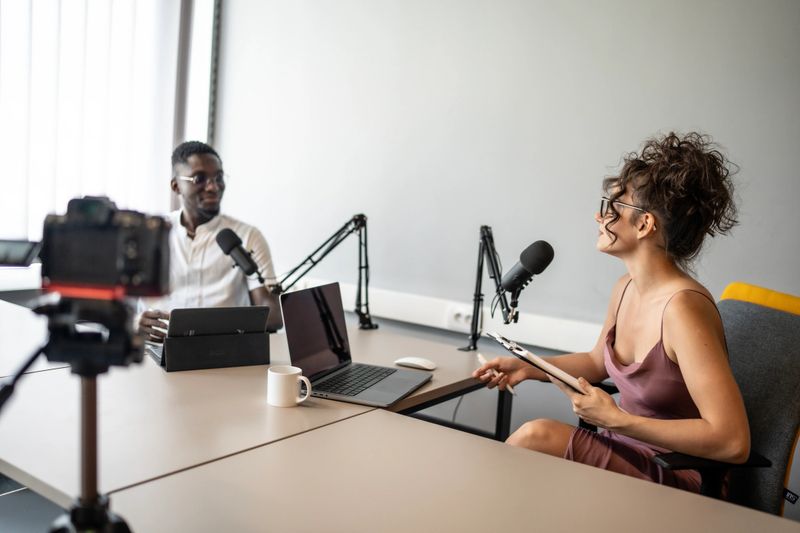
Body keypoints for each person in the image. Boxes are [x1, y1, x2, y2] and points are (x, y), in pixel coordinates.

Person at [473, 132, 750, 492]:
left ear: (645, 224)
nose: (599, 215)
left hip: (678, 474)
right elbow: (596, 361)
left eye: (612, 208)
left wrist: (618, 420)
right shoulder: (626, 288)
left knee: (536, 436)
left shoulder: (684, 309)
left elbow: (732, 441)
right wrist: (527, 367)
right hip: (625, 449)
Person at [138, 141, 283, 340]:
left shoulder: (248, 236)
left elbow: (273, 316)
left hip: (223, 353)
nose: (213, 187)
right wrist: (135, 322)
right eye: (199, 178)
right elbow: (123, 304)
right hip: (157, 350)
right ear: (176, 186)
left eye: (219, 177)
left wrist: (209, 326)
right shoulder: (152, 233)